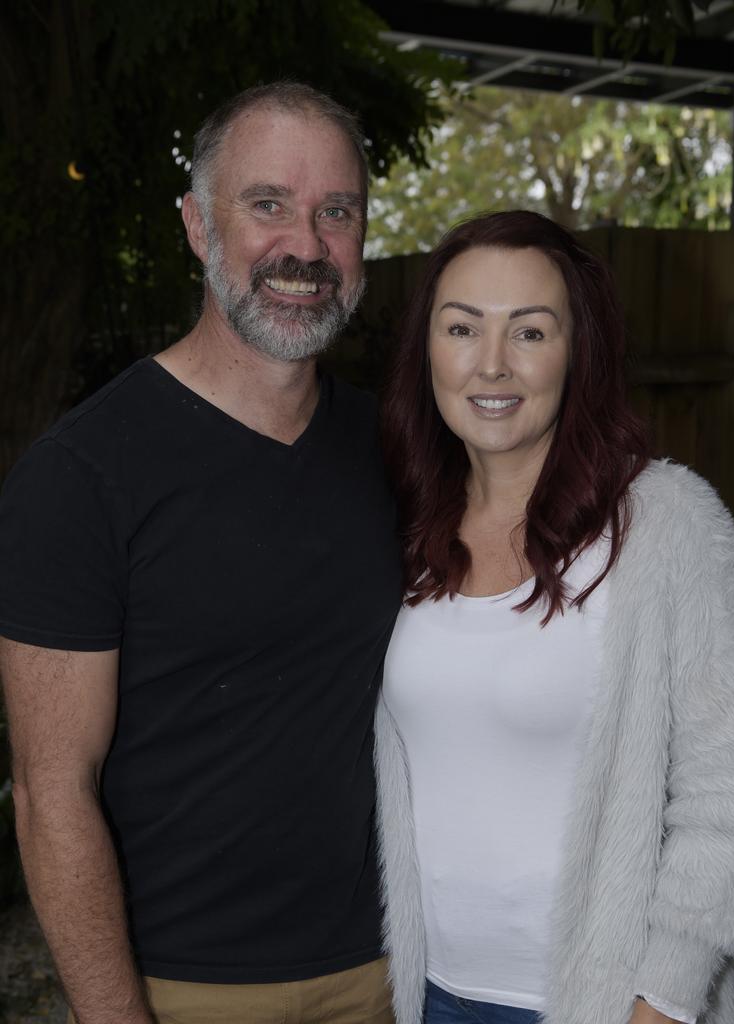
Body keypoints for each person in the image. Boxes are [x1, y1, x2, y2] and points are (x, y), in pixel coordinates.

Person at [0, 82, 402, 1024]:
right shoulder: (82, 474)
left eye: (335, 212)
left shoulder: (397, 452)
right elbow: (50, 793)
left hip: (392, 970)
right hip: (184, 989)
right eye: (267, 204)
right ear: (195, 225)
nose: (305, 247)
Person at [375, 210, 734, 1024]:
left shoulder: (665, 525)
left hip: (610, 1005)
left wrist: (658, 1000)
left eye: (530, 332)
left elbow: (733, 804)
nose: (491, 363)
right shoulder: (406, 531)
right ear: (427, 352)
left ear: (577, 353)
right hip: (431, 995)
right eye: (461, 328)